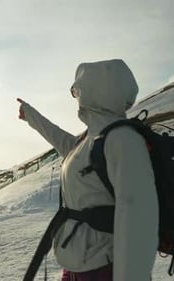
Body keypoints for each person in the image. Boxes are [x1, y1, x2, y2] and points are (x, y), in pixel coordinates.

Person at [17, 59, 158, 280]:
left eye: (76, 90)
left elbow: (139, 220)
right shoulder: (91, 138)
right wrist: (30, 115)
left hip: (103, 268)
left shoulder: (123, 140)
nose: (75, 96)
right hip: (77, 265)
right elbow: (61, 141)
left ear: (95, 90)